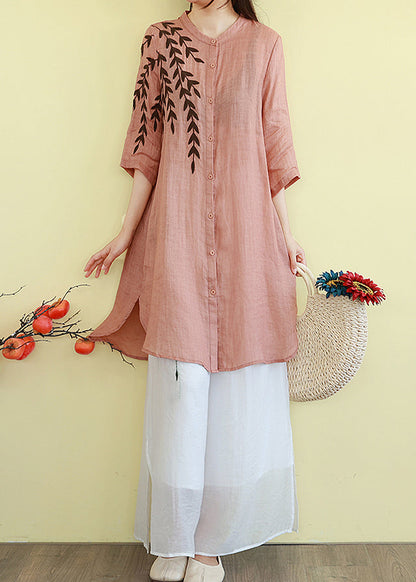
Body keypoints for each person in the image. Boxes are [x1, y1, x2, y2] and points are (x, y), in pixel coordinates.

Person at [84, 1, 306, 581]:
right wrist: (124, 233)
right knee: (181, 390)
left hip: (247, 233)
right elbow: (148, 144)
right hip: (176, 234)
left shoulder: (264, 44)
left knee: (236, 392)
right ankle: (176, 534)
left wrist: (287, 237)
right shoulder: (161, 41)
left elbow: (275, 143)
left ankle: (212, 543)